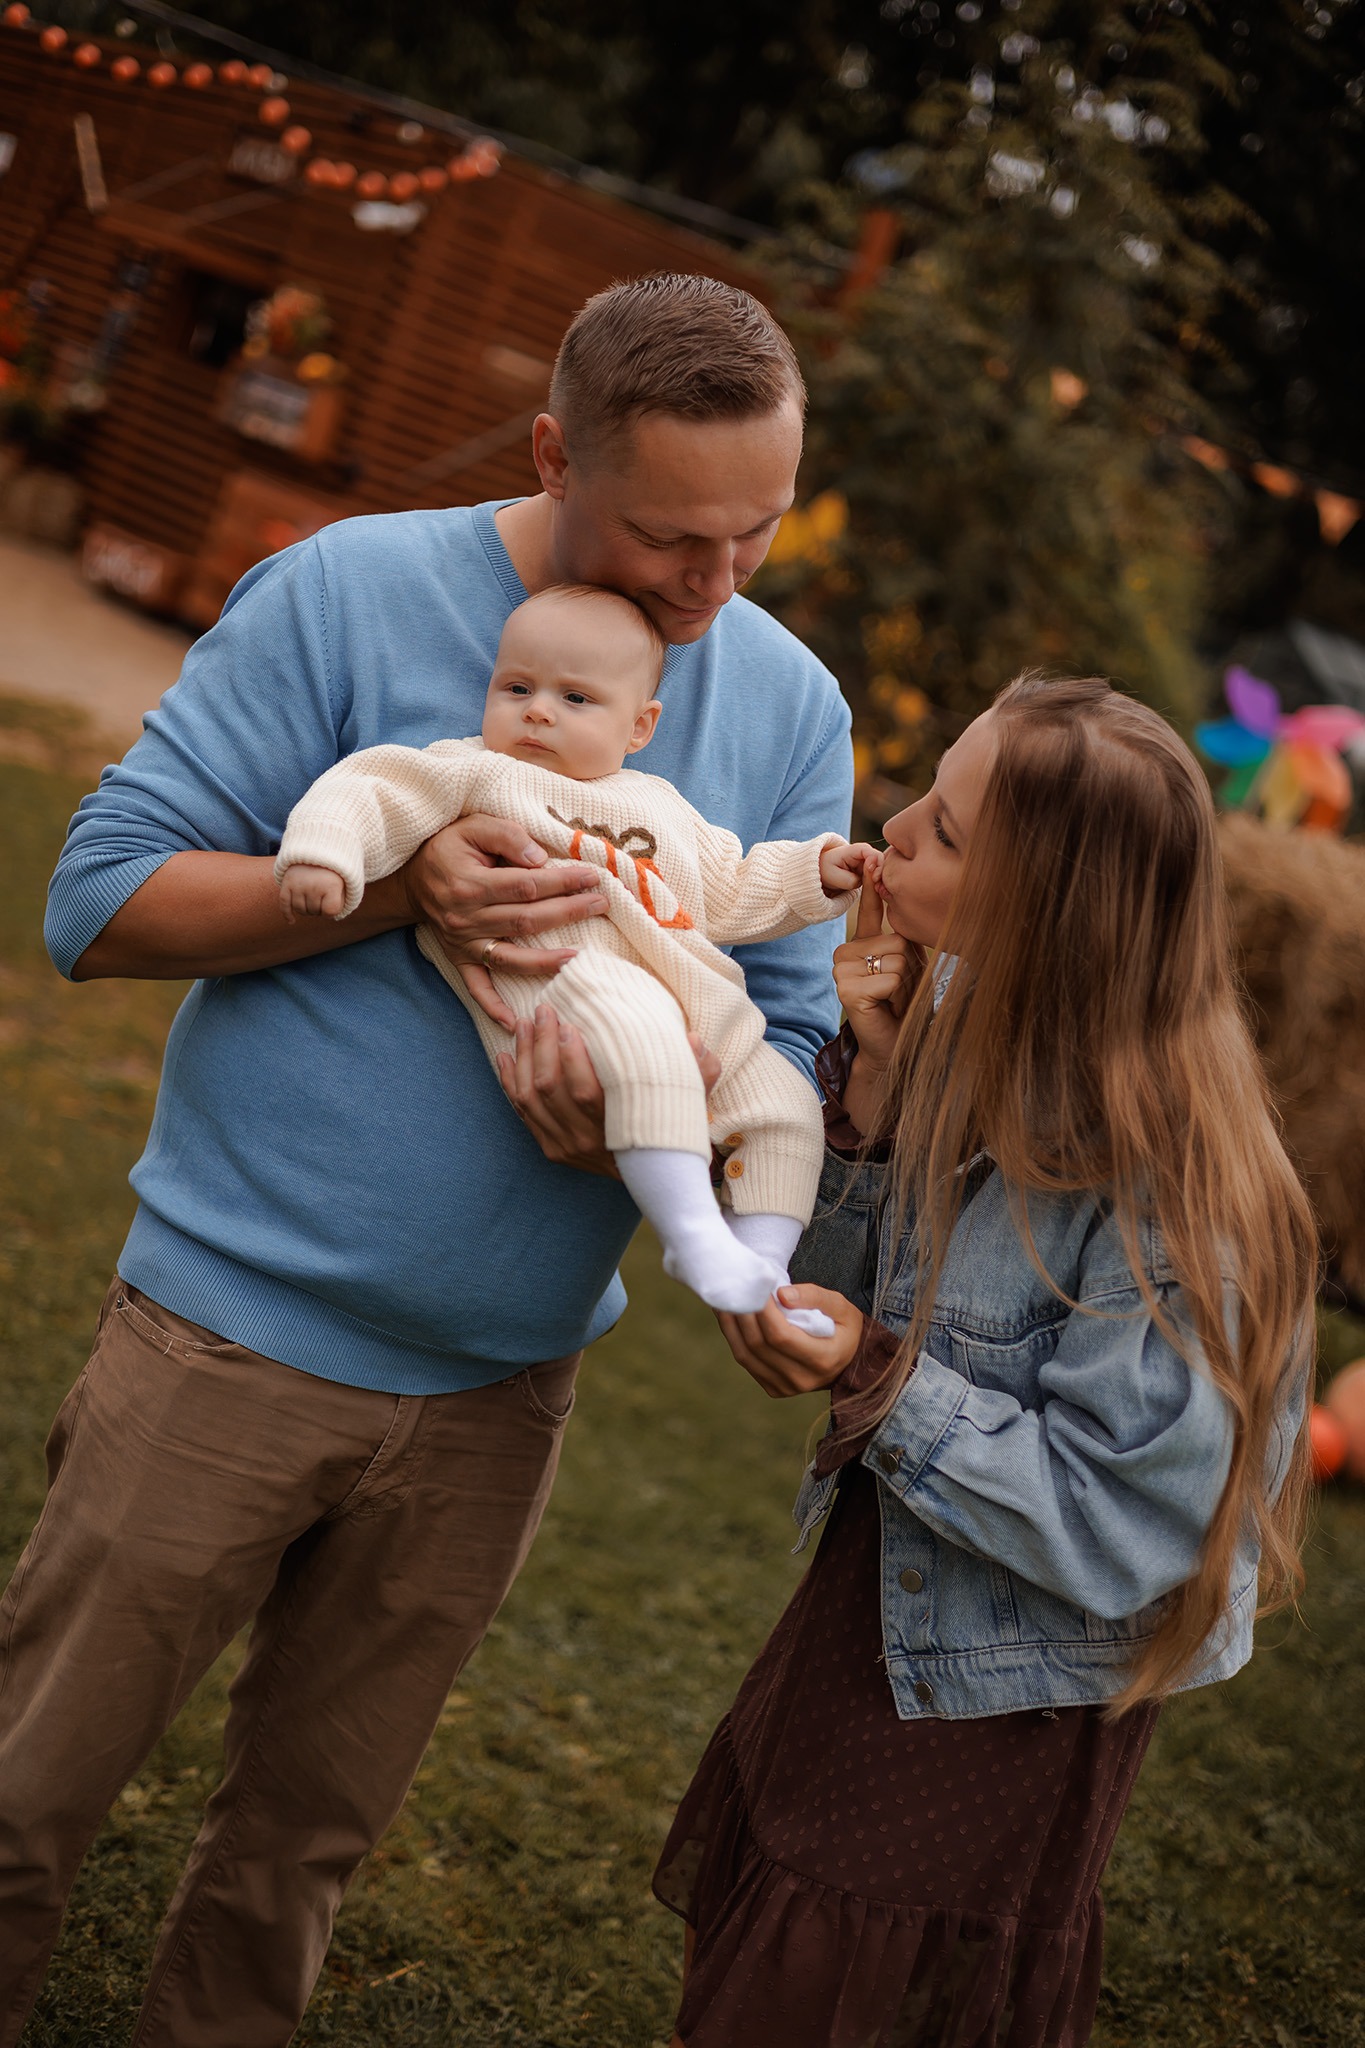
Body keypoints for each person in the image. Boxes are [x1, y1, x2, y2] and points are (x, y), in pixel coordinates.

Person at [0, 274, 852, 2045]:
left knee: (293, 1862)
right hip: (226, 1347)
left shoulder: (787, 705)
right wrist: (402, 885)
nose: (710, 589)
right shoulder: (348, 589)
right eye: (671, 537)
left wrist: (676, 1116)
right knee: (25, 1806)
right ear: (556, 453)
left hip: (495, 1401)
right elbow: (98, 899)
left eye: (754, 535)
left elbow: (787, 1017)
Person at [654, 675, 1316, 2048]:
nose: (889, 832)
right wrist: (879, 1093)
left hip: (1005, 1696)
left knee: (839, 1992)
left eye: (946, 835)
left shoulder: (1178, 1208)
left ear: (1052, 916)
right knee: (765, 1958)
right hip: (885, 1613)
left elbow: (1124, 1531)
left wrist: (885, 1382)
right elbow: (825, 1309)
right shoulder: (973, 1043)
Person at [276, 579, 872, 1325]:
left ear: (639, 726)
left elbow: (731, 887)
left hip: (694, 999)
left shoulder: (662, 807)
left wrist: (813, 873)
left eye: (575, 699)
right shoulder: (479, 773)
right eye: (517, 686)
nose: (537, 710)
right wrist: (324, 854)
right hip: (565, 986)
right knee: (643, 1034)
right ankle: (689, 1234)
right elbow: (371, 789)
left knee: (783, 1108)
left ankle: (764, 1268)